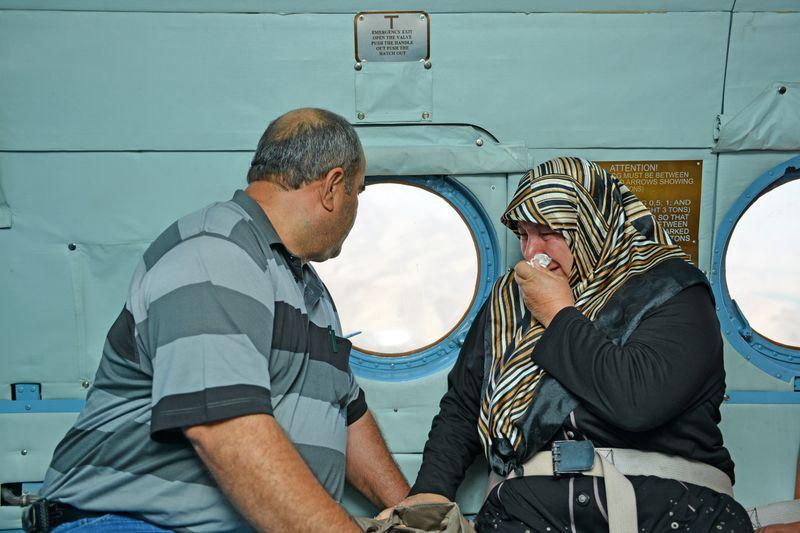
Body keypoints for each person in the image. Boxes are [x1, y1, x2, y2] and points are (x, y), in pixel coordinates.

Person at [26, 108, 409, 532]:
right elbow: (223, 430)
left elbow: (347, 411)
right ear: (333, 188)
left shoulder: (307, 290)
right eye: (358, 191)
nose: (355, 208)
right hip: (130, 523)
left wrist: (413, 512)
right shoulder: (216, 253)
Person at [384, 157, 752, 532]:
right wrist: (430, 490)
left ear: (592, 224)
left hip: (666, 512)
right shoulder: (510, 301)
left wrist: (558, 313)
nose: (531, 253)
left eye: (547, 233)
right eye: (523, 235)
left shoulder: (673, 290)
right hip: (527, 513)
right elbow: (464, 406)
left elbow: (637, 403)